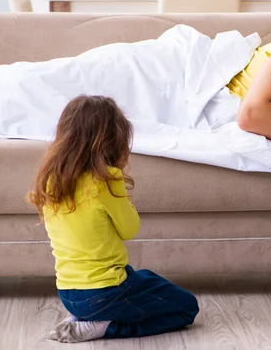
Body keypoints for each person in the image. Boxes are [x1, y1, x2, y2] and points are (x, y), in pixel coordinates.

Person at [28, 95, 199, 343]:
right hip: (104, 294)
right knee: (186, 306)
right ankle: (104, 327)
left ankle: (81, 318)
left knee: (146, 278)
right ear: (112, 140)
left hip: (68, 293)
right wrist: (121, 194)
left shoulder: (51, 180)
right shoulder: (106, 180)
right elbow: (130, 229)